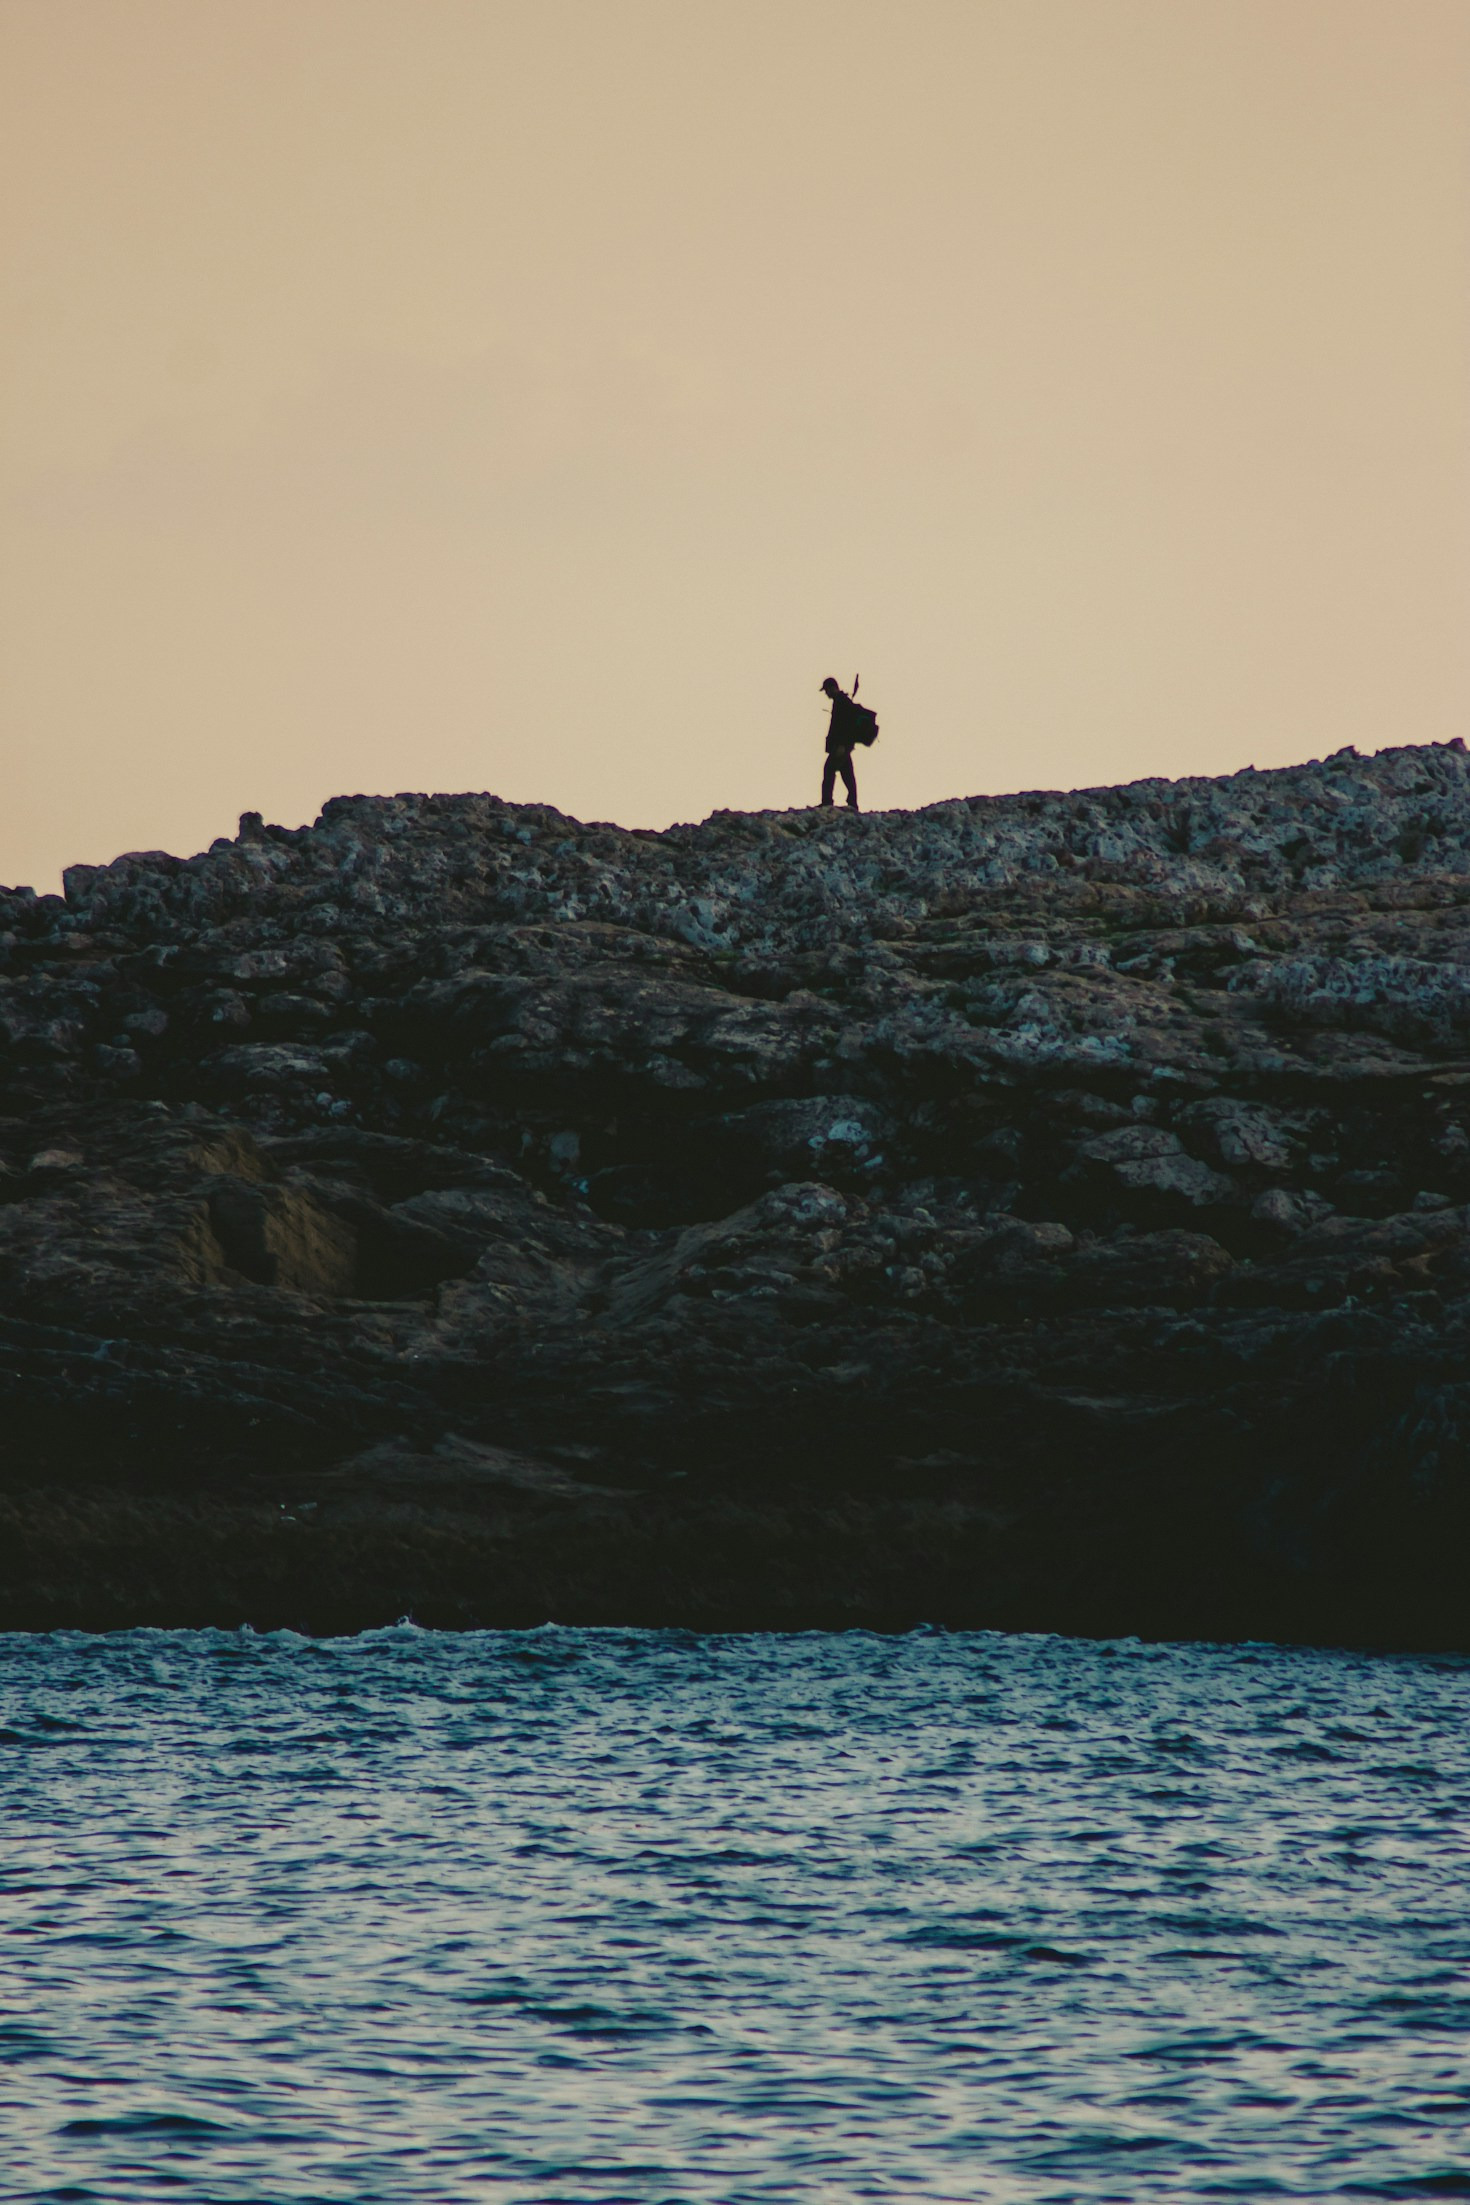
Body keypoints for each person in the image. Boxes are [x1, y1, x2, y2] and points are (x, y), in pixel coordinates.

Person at [819, 676, 862, 809]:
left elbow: (844, 726)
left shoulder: (841, 702)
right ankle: (853, 803)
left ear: (832, 688)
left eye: (826, 690)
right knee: (847, 773)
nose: (826, 693)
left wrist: (842, 745)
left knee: (829, 770)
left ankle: (827, 802)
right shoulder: (841, 701)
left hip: (841, 746)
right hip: (843, 745)